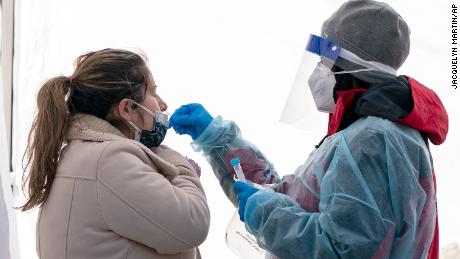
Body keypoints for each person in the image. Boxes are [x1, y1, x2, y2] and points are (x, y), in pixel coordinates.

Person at [169, 1, 448, 258]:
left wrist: (265, 212)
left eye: (323, 63)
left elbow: (344, 250)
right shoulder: (369, 134)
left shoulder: (372, 140)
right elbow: (288, 196)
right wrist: (217, 139)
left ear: (348, 67)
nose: (316, 73)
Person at [21, 49, 210, 259]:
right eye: (154, 93)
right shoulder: (109, 161)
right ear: (127, 108)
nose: (163, 104)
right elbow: (192, 224)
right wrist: (180, 168)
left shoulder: (83, 154)